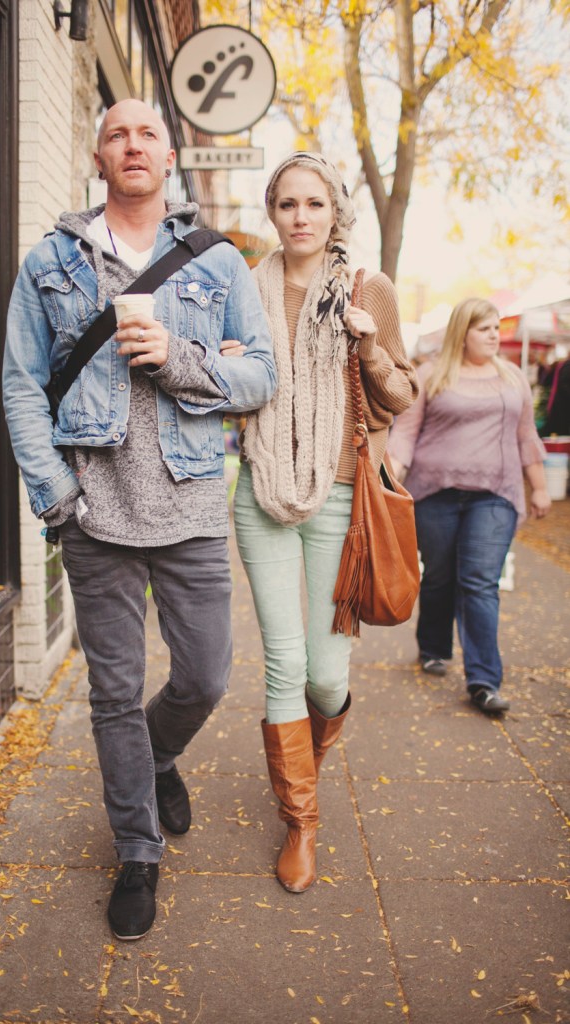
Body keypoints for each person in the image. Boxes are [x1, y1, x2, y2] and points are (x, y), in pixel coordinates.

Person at [2, 99, 276, 941]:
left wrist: (183, 360)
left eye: (146, 134)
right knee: (113, 692)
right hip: (93, 511)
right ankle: (136, 848)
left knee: (206, 677)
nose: (132, 145)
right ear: (97, 154)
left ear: (168, 156)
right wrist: (55, 498)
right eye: (117, 133)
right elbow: (19, 382)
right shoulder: (50, 259)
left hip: (190, 501)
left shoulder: (217, 261)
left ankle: (159, 759)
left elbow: (261, 376)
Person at [230, 152, 418, 893]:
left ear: (335, 211)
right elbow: (233, 382)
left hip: (341, 499)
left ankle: (302, 754)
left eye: (313, 204)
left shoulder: (368, 286)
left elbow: (401, 392)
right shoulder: (245, 290)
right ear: (271, 213)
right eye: (286, 205)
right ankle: (300, 822)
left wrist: (367, 340)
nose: (300, 217)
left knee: (325, 673)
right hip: (263, 490)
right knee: (282, 664)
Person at [387, 298, 551, 715]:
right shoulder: (431, 374)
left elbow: (526, 435)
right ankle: (435, 647)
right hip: (434, 492)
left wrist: (539, 486)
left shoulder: (511, 377)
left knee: (478, 581)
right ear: (463, 331)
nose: (495, 335)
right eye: (485, 328)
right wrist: (391, 479)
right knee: (440, 576)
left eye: (496, 327)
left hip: (495, 493)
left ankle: (483, 680)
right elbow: (406, 433)